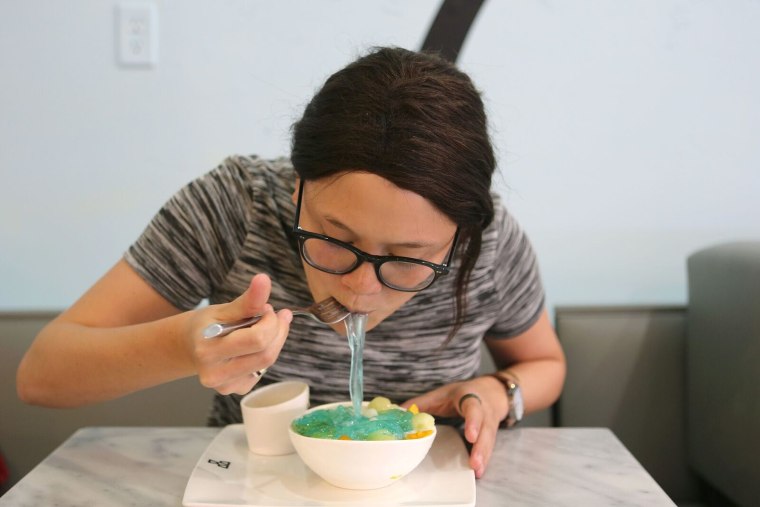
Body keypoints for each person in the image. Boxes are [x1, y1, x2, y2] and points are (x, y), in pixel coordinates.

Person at [17, 46, 565, 479]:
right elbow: (42, 376)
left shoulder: (488, 239)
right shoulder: (239, 204)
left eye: (407, 260)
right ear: (298, 186)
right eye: (334, 238)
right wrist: (184, 345)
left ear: (456, 238)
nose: (358, 288)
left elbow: (546, 364)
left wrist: (497, 393)